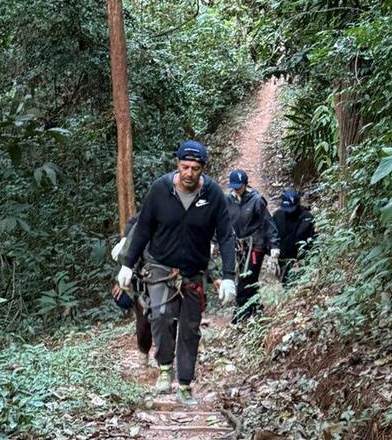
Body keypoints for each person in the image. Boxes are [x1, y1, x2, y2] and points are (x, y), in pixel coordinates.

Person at [118, 140, 236, 404]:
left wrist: (227, 276)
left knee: (190, 329)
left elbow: (226, 235)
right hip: (160, 267)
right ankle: (163, 369)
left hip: (193, 270)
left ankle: (184, 384)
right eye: (185, 167)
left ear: (203, 168)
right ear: (177, 165)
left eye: (195, 168)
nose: (189, 173)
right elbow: (143, 227)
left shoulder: (213, 195)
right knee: (159, 315)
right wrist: (128, 263)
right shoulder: (161, 190)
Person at [226, 168, 279, 321]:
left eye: (239, 186)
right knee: (249, 279)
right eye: (234, 186)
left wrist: (274, 246)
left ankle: (240, 316)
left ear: (245, 184)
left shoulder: (256, 200)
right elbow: (222, 223)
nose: (236, 189)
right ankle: (255, 308)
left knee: (245, 279)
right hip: (239, 247)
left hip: (256, 245)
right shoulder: (228, 200)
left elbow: (268, 223)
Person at [111, 219, 153, 368]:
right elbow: (128, 255)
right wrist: (121, 281)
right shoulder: (137, 224)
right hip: (142, 278)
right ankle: (143, 355)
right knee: (144, 323)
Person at [273, 189, 315, 282]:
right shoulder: (277, 215)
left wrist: (301, 260)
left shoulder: (306, 217)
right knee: (285, 282)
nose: (289, 212)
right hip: (282, 257)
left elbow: (308, 240)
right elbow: (272, 234)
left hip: (298, 259)